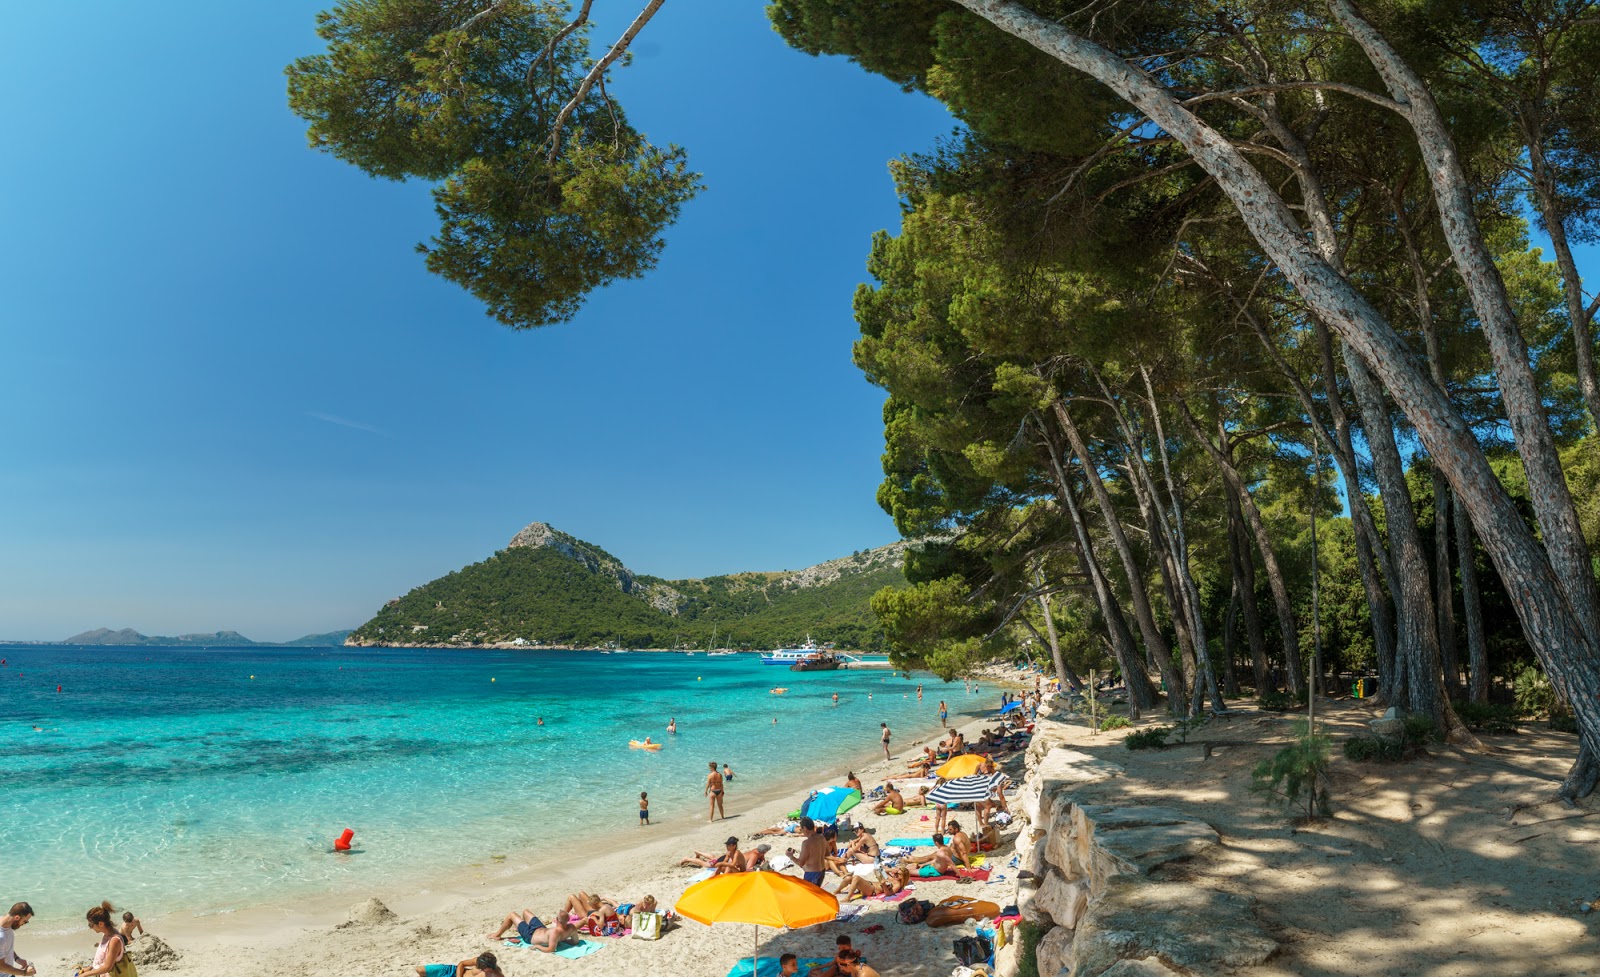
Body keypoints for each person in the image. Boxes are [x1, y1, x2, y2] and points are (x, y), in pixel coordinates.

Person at [72, 902, 125, 977]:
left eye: (91, 924)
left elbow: (107, 967)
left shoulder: (114, 940)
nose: (90, 927)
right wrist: (90, 968)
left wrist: (85, 975)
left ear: (101, 924)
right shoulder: (107, 934)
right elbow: (103, 958)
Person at [837, 864, 911, 902]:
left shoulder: (897, 884)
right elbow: (877, 870)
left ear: (903, 877)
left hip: (872, 890)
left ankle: (848, 898)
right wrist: (891, 869)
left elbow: (888, 894)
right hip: (868, 884)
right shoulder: (890, 878)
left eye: (899, 874)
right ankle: (837, 891)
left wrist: (884, 885)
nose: (897, 875)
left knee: (856, 877)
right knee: (848, 878)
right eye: (897, 873)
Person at [787, 817, 826, 886]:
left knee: (810, 894)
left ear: (805, 828)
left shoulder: (806, 843)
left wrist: (791, 856)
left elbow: (801, 863)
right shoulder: (822, 837)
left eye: (801, 830)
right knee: (816, 892)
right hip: (822, 871)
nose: (801, 831)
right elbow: (827, 853)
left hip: (812, 874)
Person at [0, 902, 35, 977]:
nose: (23, 924)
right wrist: (25, 973)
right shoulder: (1, 937)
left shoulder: (7, 925)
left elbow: (6, 948)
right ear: (17, 917)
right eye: (25, 921)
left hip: (9, 973)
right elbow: (1, 967)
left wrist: (17, 958)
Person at [415, 953, 504, 977]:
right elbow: (462, 964)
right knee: (419, 970)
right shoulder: (479, 960)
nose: (479, 968)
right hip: (453, 971)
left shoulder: (496, 974)